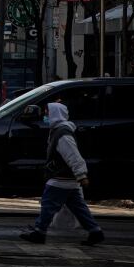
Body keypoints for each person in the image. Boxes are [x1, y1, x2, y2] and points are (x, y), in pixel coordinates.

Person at [19, 102, 104, 246]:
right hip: (68, 179)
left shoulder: (62, 134)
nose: (45, 116)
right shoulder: (59, 131)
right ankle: (95, 231)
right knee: (78, 208)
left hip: (61, 177)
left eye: (48, 113)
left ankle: (40, 232)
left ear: (54, 114)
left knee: (48, 204)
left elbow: (73, 155)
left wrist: (81, 174)